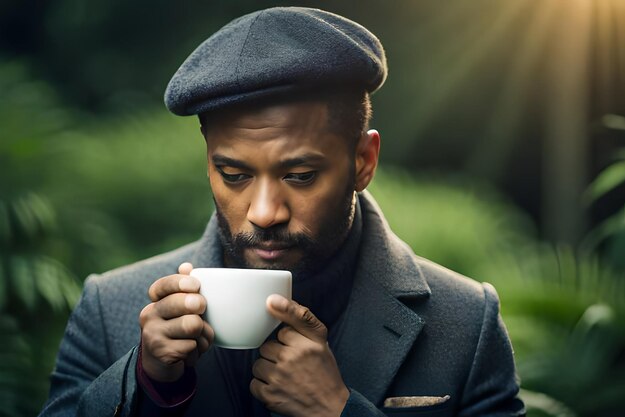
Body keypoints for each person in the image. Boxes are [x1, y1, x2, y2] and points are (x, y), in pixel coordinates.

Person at [40, 6, 525, 417]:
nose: (265, 212)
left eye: (300, 176)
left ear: (363, 162)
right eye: (234, 175)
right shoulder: (110, 310)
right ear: (208, 162)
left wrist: (341, 410)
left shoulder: (466, 322)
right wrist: (146, 383)